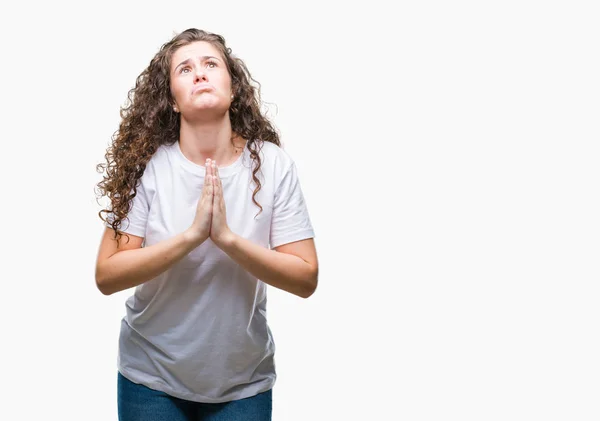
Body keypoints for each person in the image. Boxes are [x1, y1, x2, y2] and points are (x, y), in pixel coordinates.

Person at [94, 28, 318, 421]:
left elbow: (305, 278)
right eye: (185, 69)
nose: (199, 73)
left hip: (242, 384)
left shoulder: (272, 164)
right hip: (150, 378)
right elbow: (107, 274)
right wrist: (193, 237)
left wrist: (227, 239)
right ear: (174, 102)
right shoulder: (149, 166)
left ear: (234, 90)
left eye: (211, 64)